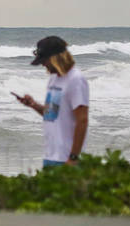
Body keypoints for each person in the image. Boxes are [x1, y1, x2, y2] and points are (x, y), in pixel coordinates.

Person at [13, 36, 89, 167]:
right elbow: (51, 114)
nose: (43, 64)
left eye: (45, 60)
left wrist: (73, 157)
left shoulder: (76, 80)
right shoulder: (54, 79)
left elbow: (82, 120)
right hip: (50, 156)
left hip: (67, 159)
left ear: (56, 58)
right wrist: (34, 105)